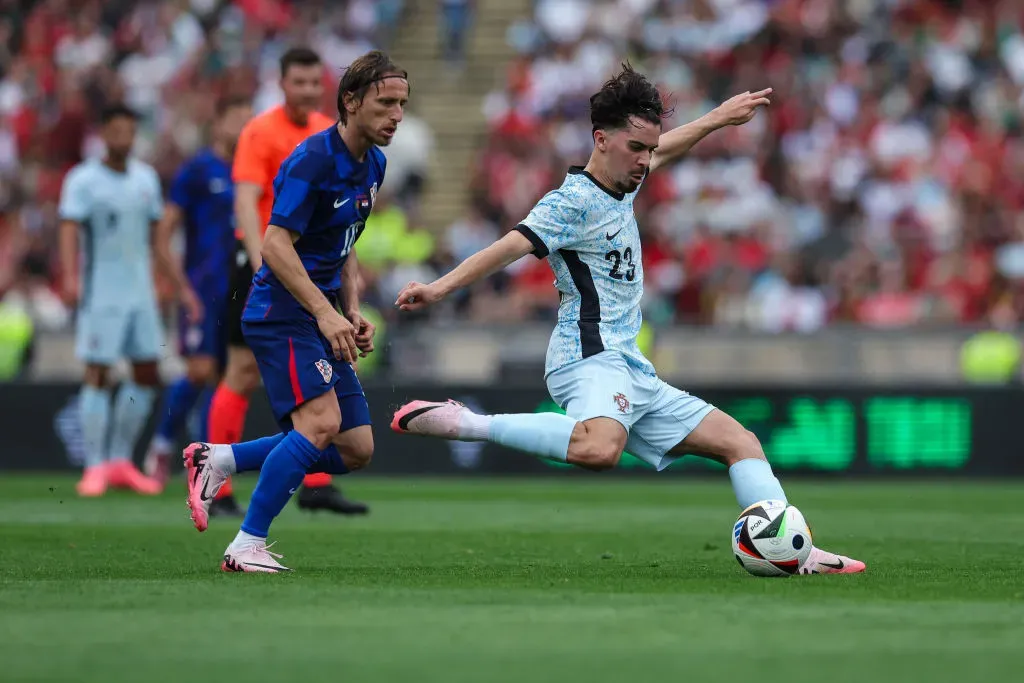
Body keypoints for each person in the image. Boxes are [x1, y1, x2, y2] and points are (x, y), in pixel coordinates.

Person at [391, 64, 865, 576]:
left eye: (649, 148)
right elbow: (507, 247)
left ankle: (797, 552)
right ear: (601, 140)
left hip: (629, 365)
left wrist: (721, 119)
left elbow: (668, 147)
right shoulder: (570, 202)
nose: (647, 159)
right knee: (600, 449)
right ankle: (469, 423)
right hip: (587, 356)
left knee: (740, 443)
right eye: (637, 148)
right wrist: (438, 288)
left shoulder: (624, 179)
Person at [183, 50, 409, 572]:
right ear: (350, 102)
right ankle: (246, 544)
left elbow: (347, 241)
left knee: (356, 447)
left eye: (402, 104)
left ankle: (219, 459)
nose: (396, 115)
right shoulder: (312, 160)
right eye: (385, 103)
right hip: (280, 311)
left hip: (320, 312)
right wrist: (324, 313)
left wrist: (350, 309)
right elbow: (275, 245)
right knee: (321, 422)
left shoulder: (374, 162)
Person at [208, 46, 368, 515]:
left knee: (323, 401)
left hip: (313, 271)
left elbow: (341, 224)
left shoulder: (331, 133)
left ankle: (313, 484)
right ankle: (221, 490)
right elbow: (246, 199)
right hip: (266, 266)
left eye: (313, 82)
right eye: (297, 82)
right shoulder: (260, 130)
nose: (306, 90)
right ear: (281, 84)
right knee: (240, 373)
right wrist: (264, 264)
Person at [142, 97, 253, 513]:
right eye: (236, 117)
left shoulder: (250, 171)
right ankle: (162, 443)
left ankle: (209, 473)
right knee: (201, 369)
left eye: (248, 119)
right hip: (203, 287)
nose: (243, 126)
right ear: (219, 123)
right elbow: (164, 231)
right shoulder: (197, 169)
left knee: (228, 378)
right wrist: (180, 286)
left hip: (240, 288)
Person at [58, 104, 165, 497]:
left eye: (129, 131)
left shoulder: (146, 178)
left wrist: (166, 277)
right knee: (98, 373)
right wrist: (69, 277)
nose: (124, 137)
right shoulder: (83, 180)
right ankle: (94, 465)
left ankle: (121, 460)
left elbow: (155, 235)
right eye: (117, 130)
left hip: (141, 290)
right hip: (101, 289)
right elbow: (69, 229)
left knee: (147, 372)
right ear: (104, 133)